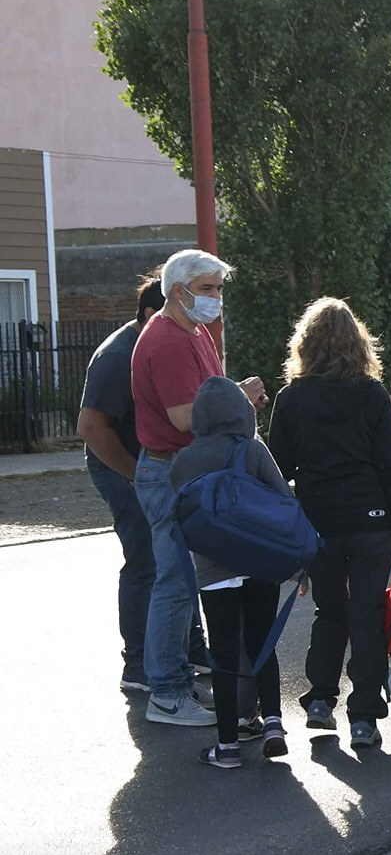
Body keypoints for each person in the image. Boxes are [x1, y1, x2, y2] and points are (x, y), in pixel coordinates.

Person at [267, 297, 391, 751]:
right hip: (370, 519)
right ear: (359, 344)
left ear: (307, 344)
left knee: (329, 610)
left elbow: (278, 470)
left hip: (317, 520)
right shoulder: (372, 394)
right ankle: (363, 717)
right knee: (367, 614)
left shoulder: (291, 398)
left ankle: (320, 698)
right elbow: (390, 468)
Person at [130, 249, 266, 726]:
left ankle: (176, 682)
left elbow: (204, 398)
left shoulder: (193, 332)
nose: (216, 298)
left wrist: (231, 396)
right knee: (175, 583)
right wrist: (237, 399)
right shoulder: (167, 340)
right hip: (169, 471)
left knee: (183, 583)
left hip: (184, 470)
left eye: (218, 288)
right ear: (177, 290)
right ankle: (166, 692)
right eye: (208, 289)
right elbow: (185, 416)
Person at [169, 376, 293, 768]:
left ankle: (227, 747)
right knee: (262, 645)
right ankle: (273, 722)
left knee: (223, 656)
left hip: (213, 571)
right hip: (259, 564)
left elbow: (179, 513)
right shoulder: (253, 450)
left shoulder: (184, 459)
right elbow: (283, 498)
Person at [77, 274, 164, 693]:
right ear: (151, 314)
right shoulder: (118, 356)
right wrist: (136, 476)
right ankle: (138, 665)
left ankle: (187, 649)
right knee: (146, 560)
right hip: (120, 468)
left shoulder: (157, 342)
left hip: (147, 467)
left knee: (172, 558)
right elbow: (92, 427)